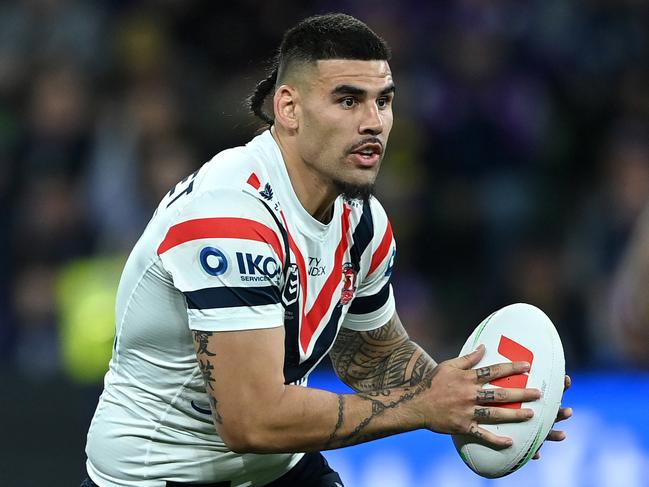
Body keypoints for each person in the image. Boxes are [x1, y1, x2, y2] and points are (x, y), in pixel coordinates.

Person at [81, 13, 571, 487]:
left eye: (383, 101)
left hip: (278, 471)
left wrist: (473, 399)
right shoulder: (230, 214)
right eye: (348, 100)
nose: (373, 122)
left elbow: (370, 357)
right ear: (288, 108)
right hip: (160, 476)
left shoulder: (362, 222)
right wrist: (423, 407)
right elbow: (251, 422)